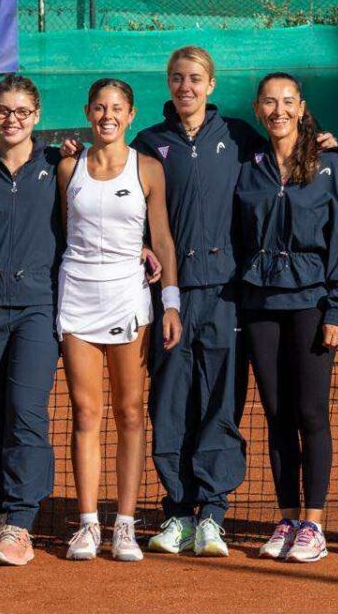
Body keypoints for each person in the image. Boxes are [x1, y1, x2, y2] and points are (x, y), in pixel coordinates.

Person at [132, 46, 261, 557]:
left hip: (225, 292)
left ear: (211, 84)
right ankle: (179, 511)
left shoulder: (238, 137)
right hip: (168, 298)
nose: (185, 87)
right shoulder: (147, 143)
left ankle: (212, 513)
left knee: (220, 399)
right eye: (177, 78)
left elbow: (288, 161)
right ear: (168, 84)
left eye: (195, 78)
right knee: (170, 399)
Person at [236, 72, 338, 563]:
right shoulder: (248, 166)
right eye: (269, 102)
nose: (279, 110)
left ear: (302, 107)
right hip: (260, 305)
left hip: (312, 306)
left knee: (312, 414)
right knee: (276, 415)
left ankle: (314, 523)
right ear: (257, 109)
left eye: (287, 101)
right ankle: (287, 517)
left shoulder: (330, 164)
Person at [58, 78, 182, 562]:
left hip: (129, 297)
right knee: (85, 413)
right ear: (88, 112)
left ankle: (124, 525)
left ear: (131, 115)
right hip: (77, 295)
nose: (107, 115)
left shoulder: (148, 168)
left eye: (117, 108)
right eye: (99, 107)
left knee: (130, 412)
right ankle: (89, 525)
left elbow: (164, 239)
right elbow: (62, 230)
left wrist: (170, 301)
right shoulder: (69, 167)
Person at [0, 74, 63, 566]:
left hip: (37, 307)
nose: (13, 119)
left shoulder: (60, 164)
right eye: (4, 110)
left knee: (26, 412)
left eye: (22, 111)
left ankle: (21, 521)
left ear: (37, 115)